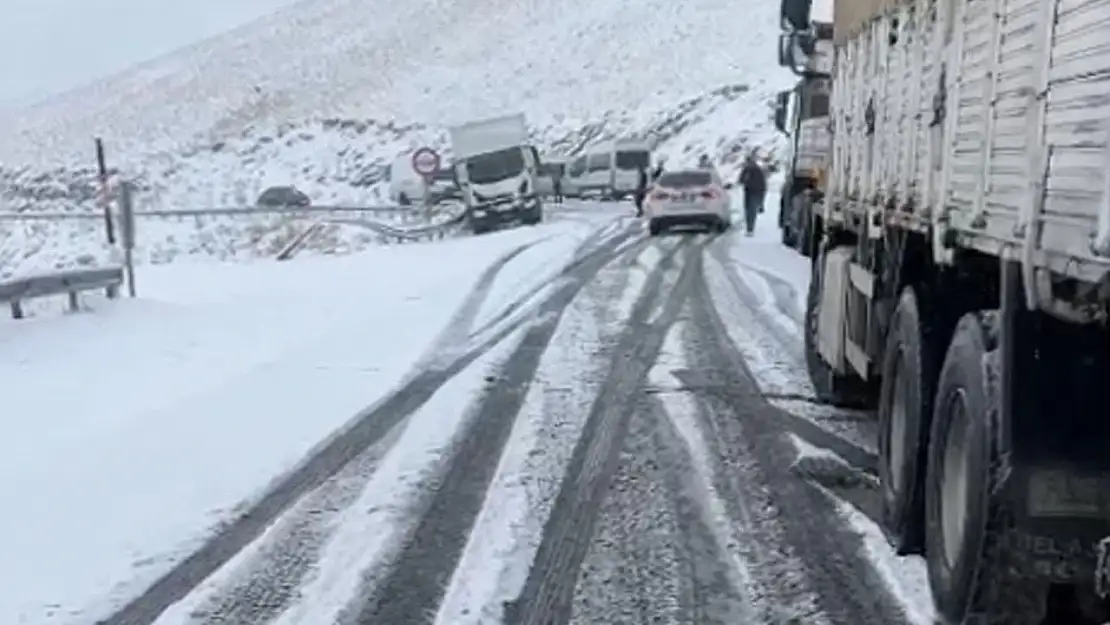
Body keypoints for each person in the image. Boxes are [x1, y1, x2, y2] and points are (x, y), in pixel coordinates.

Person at [737, 154, 767, 236]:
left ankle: (749, 229)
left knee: (749, 210)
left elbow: (740, 180)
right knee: (752, 210)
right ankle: (750, 228)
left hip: (749, 191)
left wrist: (743, 182)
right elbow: (763, 183)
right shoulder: (759, 169)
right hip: (757, 191)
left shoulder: (747, 169)